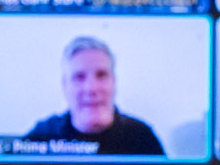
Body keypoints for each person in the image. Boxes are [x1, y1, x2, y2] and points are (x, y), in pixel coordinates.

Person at [21, 35, 165, 154]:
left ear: (114, 82)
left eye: (101, 75)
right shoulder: (42, 136)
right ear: (65, 86)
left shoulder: (141, 137)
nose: (91, 88)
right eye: (79, 77)